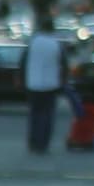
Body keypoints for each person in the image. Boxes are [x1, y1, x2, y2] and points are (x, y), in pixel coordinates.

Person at [20, 14, 67, 154]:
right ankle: (43, 143)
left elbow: (23, 62)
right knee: (47, 115)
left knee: (34, 114)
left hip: (33, 84)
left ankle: (33, 142)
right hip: (50, 85)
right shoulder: (56, 44)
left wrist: (22, 79)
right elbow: (64, 65)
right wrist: (63, 82)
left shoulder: (33, 42)